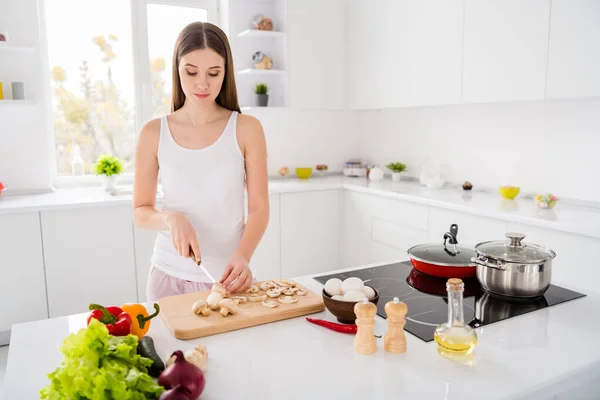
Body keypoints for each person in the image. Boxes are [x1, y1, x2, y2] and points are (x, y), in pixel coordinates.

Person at [133, 22, 269, 302]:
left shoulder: (246, 128)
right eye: (191, 72)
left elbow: (259, 209)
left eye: (214, 73)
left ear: (226, 73)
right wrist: (171, 219)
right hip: (166, 277)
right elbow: (140, 211)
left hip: (229, 280)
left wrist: (243, 257)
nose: (202, 84)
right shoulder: (152, 133)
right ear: (177, 69)